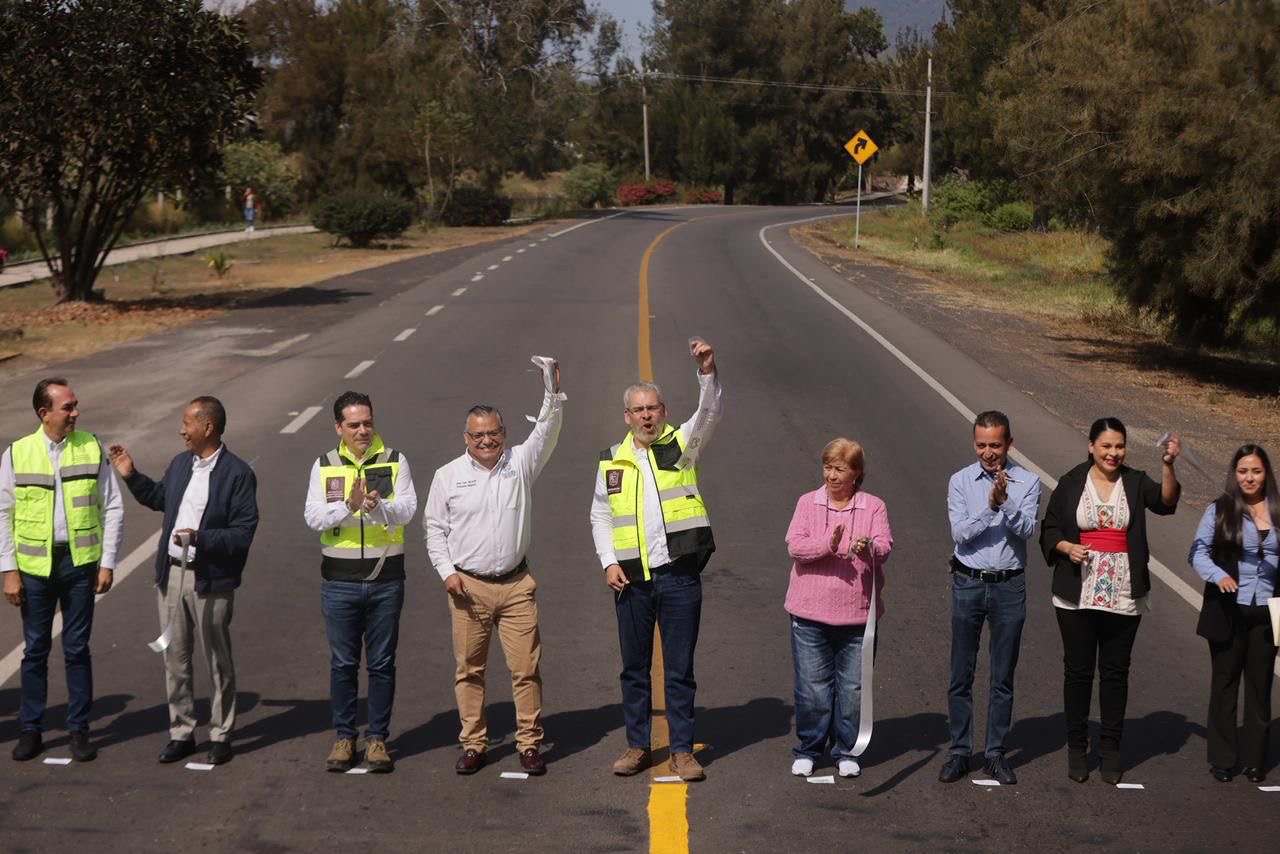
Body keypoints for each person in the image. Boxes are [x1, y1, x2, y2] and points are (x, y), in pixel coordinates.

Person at [424, 359, 564, 776]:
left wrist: (552, 391)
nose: (487, 441)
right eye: (478, 435)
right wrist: (447, 572)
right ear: (466, 438)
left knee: (526, 670)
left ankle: (529, 743)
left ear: (505, 433)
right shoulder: (447, 476)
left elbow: (547, 430)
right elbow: (434, 529)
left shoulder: (520, 464)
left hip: (517, 585)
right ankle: (474, 743)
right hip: (468, 588)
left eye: (494, 433)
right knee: (469, 671)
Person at [590, 339, 721, 782]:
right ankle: (637, 746)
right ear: (627, 416)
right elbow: (600, 516)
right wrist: (609, 561)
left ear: (663, 411)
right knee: (634, 669)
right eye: (639, 410)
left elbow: (709, 413)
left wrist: (707, 373)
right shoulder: (612, 460)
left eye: (653, 408)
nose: (647, 416)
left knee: (680, 670)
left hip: (679, 576)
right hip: (632, 581)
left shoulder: (682, 445)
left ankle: (682, 750)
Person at [107, 396, 259, 766]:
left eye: (187, 424)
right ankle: (182, 732)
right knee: (175, 659)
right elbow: (161, 498)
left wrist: (201, 538)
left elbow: (243, 533)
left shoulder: (238, 473)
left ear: (208, 427)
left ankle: (220, 734)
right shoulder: (180, 464)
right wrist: (131, 475)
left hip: (211, 581)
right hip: (172, 575)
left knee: (217, 661)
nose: (181, 431)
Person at [1040, 417, 1179, 784]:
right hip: (1077, 593)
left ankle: (1111, 749)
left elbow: (1165, 502)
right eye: (1106, 446)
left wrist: (1168, 465)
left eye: (1119, 446)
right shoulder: (1071, 482)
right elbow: (1049, 528)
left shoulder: (1135, 482)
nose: (1113, 453)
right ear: (1091, 447)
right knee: (1078, 672)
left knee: (1115, 674)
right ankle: (1076, 747)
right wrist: (1066, 546)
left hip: (1124, 591)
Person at [1, 378, 124, 762]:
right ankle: (31, 729)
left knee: (76, 649)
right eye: (68, 407)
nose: (76, 413)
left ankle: (78, 729)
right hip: (34, 568)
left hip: (79, 565)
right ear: (45, 413)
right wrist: (9, 570)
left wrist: (107, 562)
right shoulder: (17, 453)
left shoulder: (91, 447)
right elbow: (3, 513)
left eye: (75, 405)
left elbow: (112, 506)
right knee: (35, 650)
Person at [303, 391, 417, 773]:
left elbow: (408, 510)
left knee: (382, 663)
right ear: (339, 428)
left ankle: (378, 739)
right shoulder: (324, 465)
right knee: (343, 664)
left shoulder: (395, 460)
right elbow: (313, 517)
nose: (363, 430)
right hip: (339, 583)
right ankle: (344, 737)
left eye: (367, 422)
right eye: (354, 425)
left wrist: (379, 506)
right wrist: (348, 507)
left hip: (386, 580)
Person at [939, 411, 1041, 786]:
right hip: (968, 582)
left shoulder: (1028, 482)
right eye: (981, 445)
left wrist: (1007, 501)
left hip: (1008, 586)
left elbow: (1027, 529)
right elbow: (961, 533)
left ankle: (995, 753)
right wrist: (991, 506)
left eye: (995, 445)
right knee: (960, 673)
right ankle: (959, 752)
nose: (988, 453)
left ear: (1009, 444)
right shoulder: (960, 480)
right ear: (974, 443)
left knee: (1002, 676)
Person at [783, 438, 892, 779]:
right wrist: (828, 544)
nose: (831, 476)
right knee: (813, 688)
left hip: (857, 615)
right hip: (809, 613)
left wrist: (867, 548)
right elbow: (795, 546)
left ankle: (846, 750)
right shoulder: (807, 502)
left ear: (856, 473)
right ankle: (809, 749)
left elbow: (885, 547)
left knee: (852, 688)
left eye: (840, 469)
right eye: (828, 467)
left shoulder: (873, 507)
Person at [1189, 444, 1278, 784]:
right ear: (1234, 474)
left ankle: (1255, 759)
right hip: (1229, 609)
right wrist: (1218, 575)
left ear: (1266, 474)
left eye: (1256, 471)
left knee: (1260, 686)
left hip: (1268, 612)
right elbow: (1198, 552)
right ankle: (1223, 759)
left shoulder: (1277, 510)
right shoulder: (1220, 509)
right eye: (1243, 471)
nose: (1249, 478)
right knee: (1225, 683)